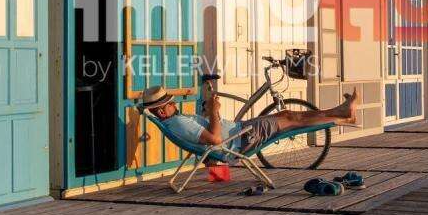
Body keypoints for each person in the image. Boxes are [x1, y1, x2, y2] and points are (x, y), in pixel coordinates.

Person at [140, 84, 359, 158]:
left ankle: (341, 112)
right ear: (161, 111)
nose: (173, 103)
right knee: (292, 119)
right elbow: (215, 139)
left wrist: (209, 112)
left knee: (287, 115)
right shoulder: (178, 123)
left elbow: (208, 132)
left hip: (241, 131)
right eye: (169, 103)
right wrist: (215, 111)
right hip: (241, 139)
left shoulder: (176, 121)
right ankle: (342, 114)